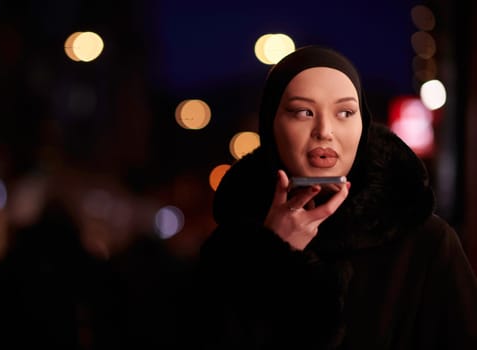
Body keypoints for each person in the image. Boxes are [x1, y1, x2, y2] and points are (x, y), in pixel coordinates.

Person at [196, 45, 477, 349]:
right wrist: (272, 255)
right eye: (303, 112)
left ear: (363, 125)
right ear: (270, 125)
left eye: (345, 112)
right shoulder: (231, 247)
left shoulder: (426, 243)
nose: (324, 130)